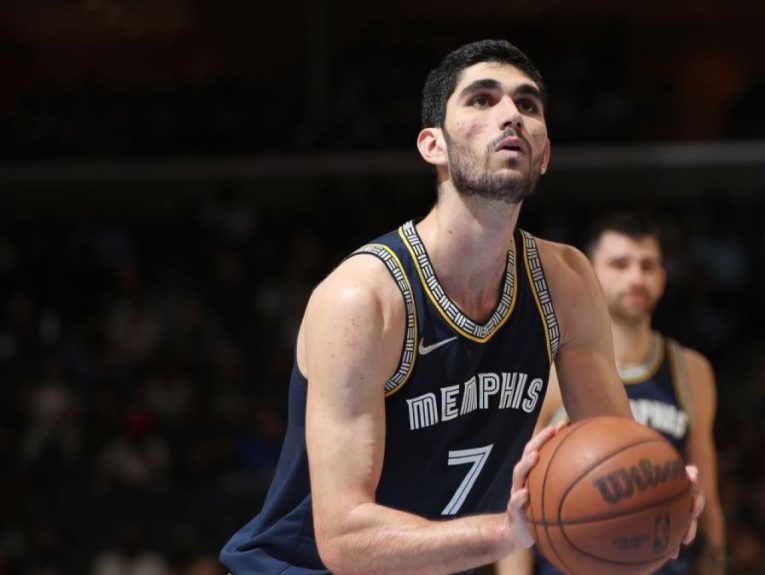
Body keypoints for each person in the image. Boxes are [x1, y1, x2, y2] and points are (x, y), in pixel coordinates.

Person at [220, 40, 703, 575]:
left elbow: (615, 456)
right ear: (434, 146)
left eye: (528, 105)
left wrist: (652, 496)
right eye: (481, 100)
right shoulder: (364, 299)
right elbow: (344, 538)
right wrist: (511, 531)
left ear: (545, 153)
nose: (510, 116)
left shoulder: (565, 281)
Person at [498, 211, 725, 575]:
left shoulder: (690, 370)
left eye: (648, 265)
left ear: (663, 279)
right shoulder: (550, 371)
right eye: (620, 264)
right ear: (590, 276)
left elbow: (709, 500)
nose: (636, 277)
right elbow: (513, 501)